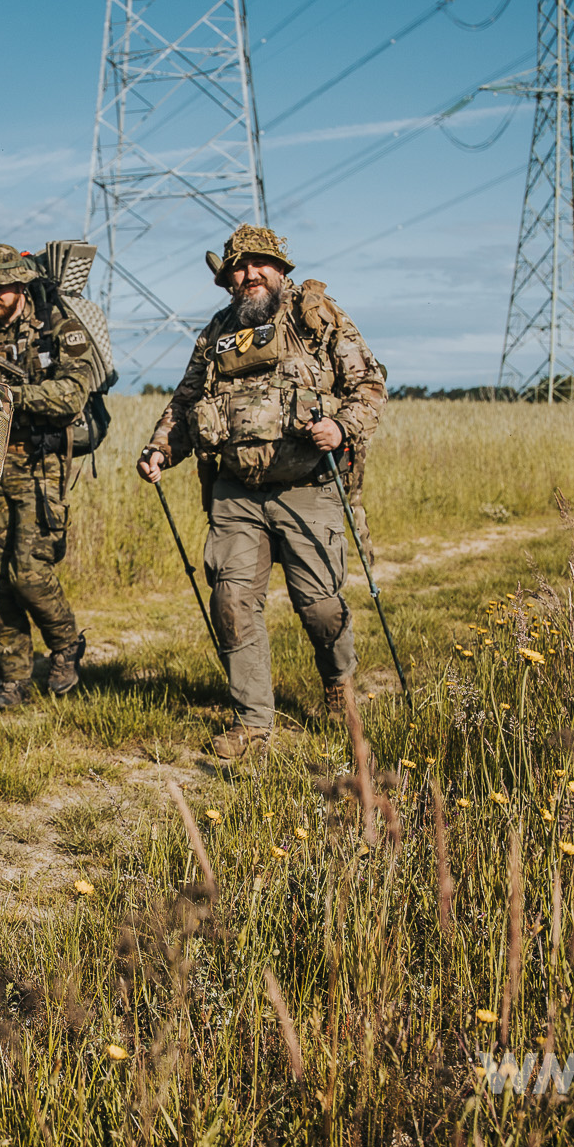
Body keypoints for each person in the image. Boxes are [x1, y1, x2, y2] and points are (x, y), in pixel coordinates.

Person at [136, 225, 386, 760]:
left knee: (318, 605)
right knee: (231, 600)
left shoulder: (318, 319)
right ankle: (253, 722)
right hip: (235, 491)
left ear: (280, 270)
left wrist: (341, 426)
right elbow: (184, 405)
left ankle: (338, 680)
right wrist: (161, 449)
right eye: (239, 268)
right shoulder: (217, 332)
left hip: (308, 486)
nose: (249, 275)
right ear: (228, 279)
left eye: (260, 265)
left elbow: (369, 387)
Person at [0, 244, 106, 706]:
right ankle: (14, 677)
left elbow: (71, 395)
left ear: (20, 286)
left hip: (40, 464)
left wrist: (9, 397)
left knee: (29, 574)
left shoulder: (58, 328)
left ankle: (64, 644)